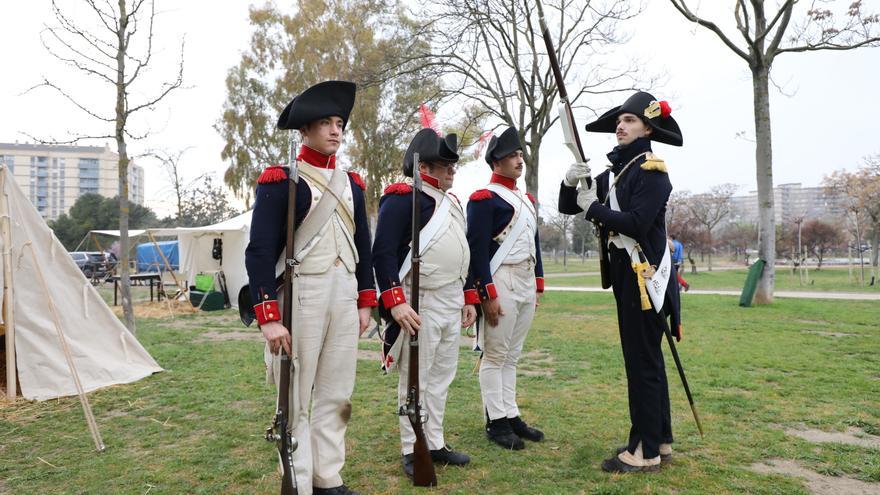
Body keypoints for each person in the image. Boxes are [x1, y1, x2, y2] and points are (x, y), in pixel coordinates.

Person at [244, 80, 377, 495]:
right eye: (326, 123)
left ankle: (327, 478)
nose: (336, 130)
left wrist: (364, 301)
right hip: (302, 295)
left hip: (344, 294)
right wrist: (268, 316)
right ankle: (298, 481)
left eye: (339, 123)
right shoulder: (281, 180)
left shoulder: (352, 184)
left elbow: (363, 247)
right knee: (296, 397)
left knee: (338, 393)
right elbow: (260, 251)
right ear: (305, 131)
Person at [558, 91, 684, 473]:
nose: (620, 126)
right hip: (629, 279)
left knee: (642, 363)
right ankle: (658, 439)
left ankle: (643, 451)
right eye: (619, 121)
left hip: (645, 279)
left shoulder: (651, 171)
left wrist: (593, 208)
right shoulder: (616, 173)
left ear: (647, 127)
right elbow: (567, 205)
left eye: (628, 120)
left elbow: (635, 223)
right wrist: (570, 180)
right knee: (647, 361)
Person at [372, 128, 479, 479]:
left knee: (441, 377)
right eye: (443, 164)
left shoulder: (452, 203)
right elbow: (384, 252)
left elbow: (462, 255)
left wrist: (467, 296)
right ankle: (410, 446)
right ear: (424, 167)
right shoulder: (402, 198)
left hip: (449, 298)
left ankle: (434, 441)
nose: (451, 170)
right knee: (415, 379)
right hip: (421, 300)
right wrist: (396, 301)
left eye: (452, 165)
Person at [467, 126, 545, 450]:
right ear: (496, 161)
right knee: (495, 355)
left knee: (512, 355)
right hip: (501, 280)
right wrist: (487, 295)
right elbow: (477, 249)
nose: (518, 160)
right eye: (511, 155)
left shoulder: (525, 200)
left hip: (524, 280)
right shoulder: (484, 199)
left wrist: (538, 284)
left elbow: (534, 243)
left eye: (518, 154)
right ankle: (495, 421)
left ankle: (511, 415)